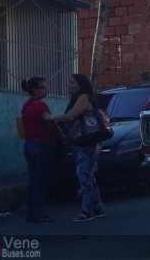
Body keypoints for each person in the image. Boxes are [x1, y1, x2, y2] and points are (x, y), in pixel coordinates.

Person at [51, 74, 105, 222]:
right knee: (88, 176)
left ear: (80, 85)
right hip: (82, 142)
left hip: (86, 142)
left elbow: (70, 116)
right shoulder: (78, 98)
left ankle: (87, 210)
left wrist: (52, 118)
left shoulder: (83, 97)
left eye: (71, 83)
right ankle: (98, 206)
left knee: (84, 177)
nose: (68, 85)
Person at [20, 77, 56, 223]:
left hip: (29, 144)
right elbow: (49, 121)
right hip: (41, 145)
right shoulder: (40, 105)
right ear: (34, 90)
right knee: (39, 181)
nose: (45, 90)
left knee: (33, 180)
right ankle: (39, 213)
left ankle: (31, 213)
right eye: (42, 87)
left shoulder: (26, 105)